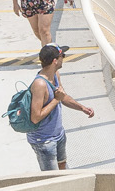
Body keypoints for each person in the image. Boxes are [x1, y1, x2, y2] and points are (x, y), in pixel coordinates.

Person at [26, 43, 94, 171]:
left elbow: (63, 97)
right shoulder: (40, 84)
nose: (64, 58)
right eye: (62, 56)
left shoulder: (55, 75)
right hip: (44, 141)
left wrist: (82, 108)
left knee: (62, 166)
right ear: (55, 61)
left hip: (59, 135)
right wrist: (56, 99)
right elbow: (35, 117)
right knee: (53, 178)